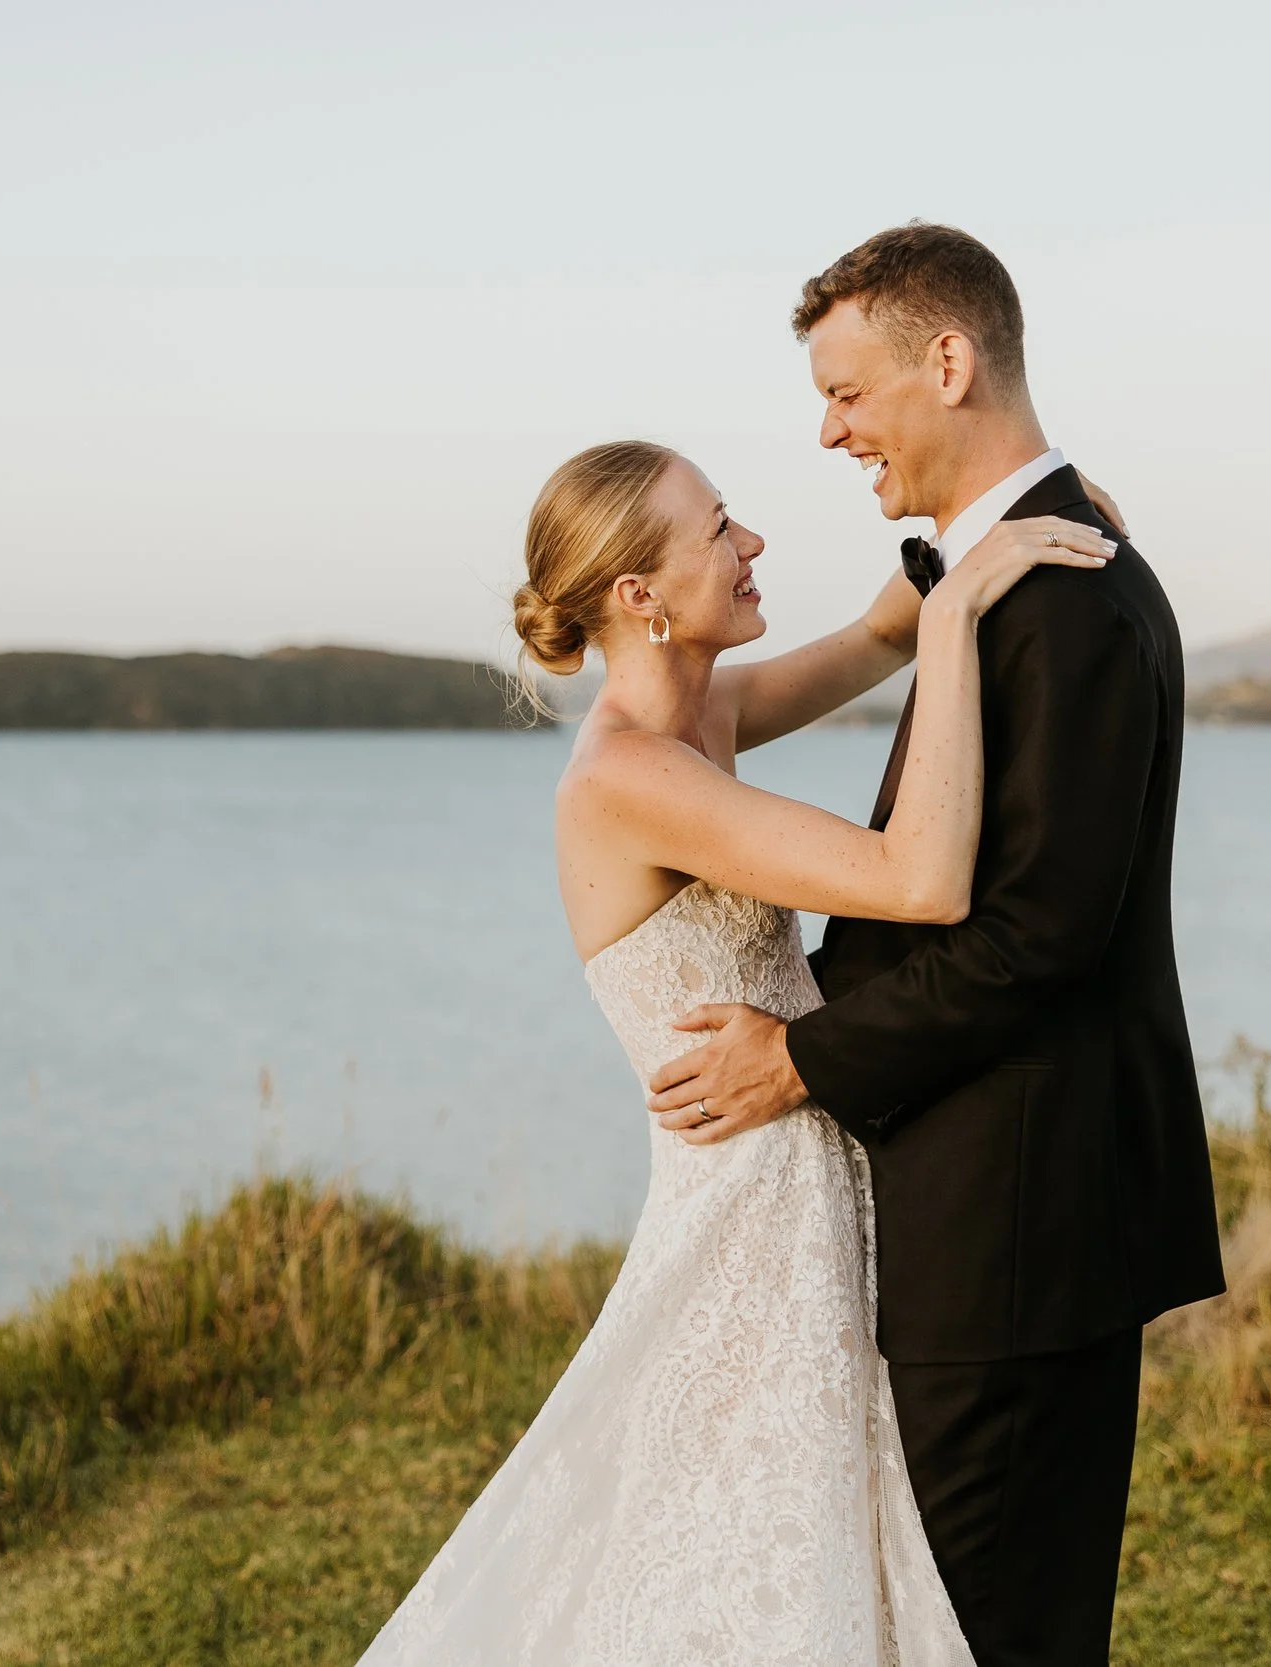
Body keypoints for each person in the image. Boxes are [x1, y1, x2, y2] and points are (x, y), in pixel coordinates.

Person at [355, 429, 1117, 1666]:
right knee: (739, 1563)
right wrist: (961, 615)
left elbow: (873, 631)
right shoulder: (625, 778)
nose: (753, 541)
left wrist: (1007, 526)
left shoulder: (708, 709)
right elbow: (917, 878)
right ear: (638, 595)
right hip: (748, 1211)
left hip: (812, 1171)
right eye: (718, 528)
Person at [642, 223, 1227, 1667]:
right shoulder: (1004, 584)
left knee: (996, 1630)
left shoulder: (1069, 599)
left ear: (949, 361)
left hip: (1020, 1221)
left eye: (847, 390)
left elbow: (1040, 939)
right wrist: (929, 600)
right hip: (976, 1204)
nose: (828, 430)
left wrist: (800, 1060)